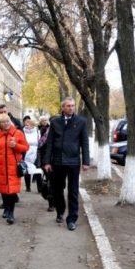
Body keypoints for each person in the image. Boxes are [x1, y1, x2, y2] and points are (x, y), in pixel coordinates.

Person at [43, 97, 90, 231]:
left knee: (73, 191)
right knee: (57, 189)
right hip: (57, 162)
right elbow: (50, 142)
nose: (71, 108)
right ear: (63, 107)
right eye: (68, 106)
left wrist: (86, 161)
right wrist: (46, 161)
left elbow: (85, 142)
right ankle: (60, 211)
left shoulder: (81, 121)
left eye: (73, 106)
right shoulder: (55, 122)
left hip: (73, 162)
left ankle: (72, 219)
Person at [0, 113, 29, 224]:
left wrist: (16, 146)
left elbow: (25, 147)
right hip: (0, 169)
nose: (6, 124)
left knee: (11, 191)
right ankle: (6, 208)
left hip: (13, 168)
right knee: (4, 191)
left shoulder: (18, 133)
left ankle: (11, 213)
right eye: (3, 122)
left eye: (7, 121)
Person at [37, 116, 55, 211]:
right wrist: (41, 163)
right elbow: (40, 148)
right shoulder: (44, 132)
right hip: (47, 162)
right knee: (50, 182)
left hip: (60, 162)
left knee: (58, 183)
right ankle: (51, 203)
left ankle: (55, 200)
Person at [23, 119, 42, 192]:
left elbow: (39, 140)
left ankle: (40, 187)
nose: (26, 126)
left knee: (37, 169)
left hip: (35, 152)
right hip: (26, 151)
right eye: (26, 124)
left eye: (28, 125)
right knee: (26, 169)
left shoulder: (37, 131)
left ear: (32, 125)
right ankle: (28, 187)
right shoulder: (23, 131)